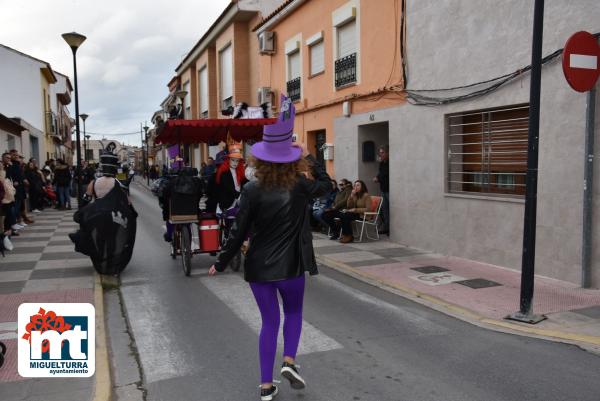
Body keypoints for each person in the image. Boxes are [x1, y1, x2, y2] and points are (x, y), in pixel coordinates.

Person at [209, 95, 331, 401]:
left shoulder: (250, 189)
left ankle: (265, 385)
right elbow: (327, 185)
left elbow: (238, 230)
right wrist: (310, 156)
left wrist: (221, 261)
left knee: (268, 322)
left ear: (261, 159)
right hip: (291, 268)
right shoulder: (302, 186)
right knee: (293, 312)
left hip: (259, 267)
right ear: (292, 158)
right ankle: (289, 361)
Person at [373, 145, 389, 235]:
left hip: (389, 190)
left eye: (382, 152)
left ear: (388, 153)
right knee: (383, 209)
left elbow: (386, 175)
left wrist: (378, 179)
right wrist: (377, 177)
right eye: (380, 152)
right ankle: (386, 227)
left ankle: (389, 228)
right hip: (383, 189)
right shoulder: (382, 163)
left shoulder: (389, 163)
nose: (380, 154)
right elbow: (380, 173)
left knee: (388, 210)